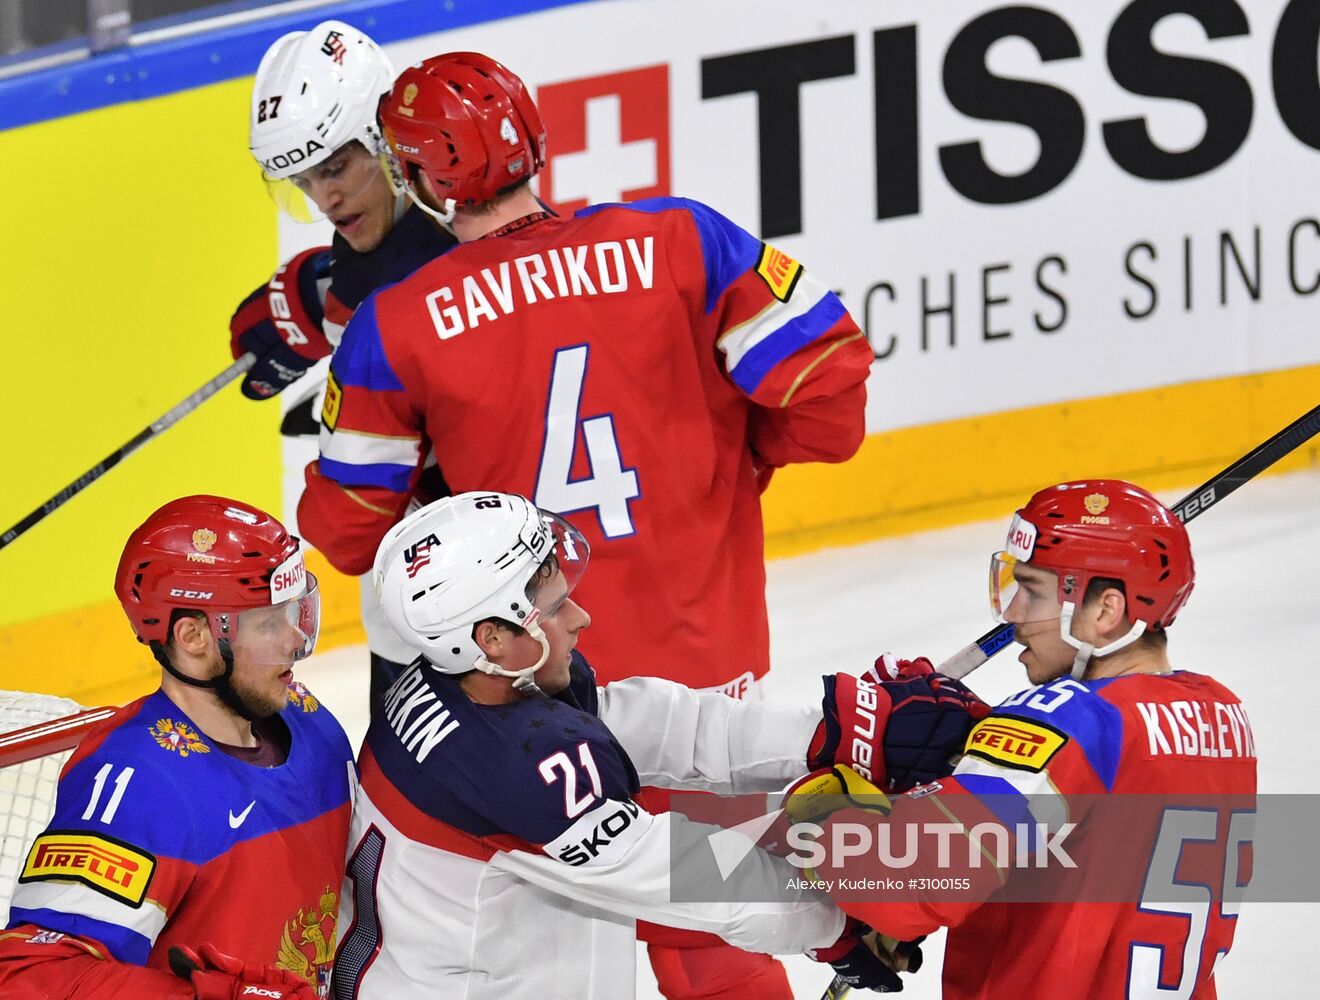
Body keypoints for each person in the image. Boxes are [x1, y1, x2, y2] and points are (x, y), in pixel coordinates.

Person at [297, 54, 874, 996]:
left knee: (546, 949)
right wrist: (731, 453)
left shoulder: (396, 325)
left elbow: (350, 533)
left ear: (413, 179)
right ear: (538, 134)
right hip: (707, 666)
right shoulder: (685, 239)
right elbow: (832, 410)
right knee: (716, 929)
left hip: (533, 692)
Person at [330, 490, 986, 999]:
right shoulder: (512, 769)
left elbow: (635, 723)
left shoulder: (470, 678)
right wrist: (835, 923)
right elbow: (696, 878)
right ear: (492, 639)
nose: (581, 617)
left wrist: (828, 732)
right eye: (555, 607)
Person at [790, 479, 1258, 999]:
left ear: (1105, 611)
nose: (1013, 615)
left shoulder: (1064, 722)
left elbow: (915, 881)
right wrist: (959, 780)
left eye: (1033, 590)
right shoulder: (1222, 716)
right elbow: (1085, 855)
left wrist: (827, 822)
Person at [0, 495, 353, 1000]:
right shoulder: (139, 784)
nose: (295, 640)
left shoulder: (309, 721)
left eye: (296, 613)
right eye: (268, 623)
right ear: (192, 636)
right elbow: (27, 974)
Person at [232, 20, 457, 711]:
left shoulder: (457, 258)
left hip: (482, 588)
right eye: (303, 178)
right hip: (406, 583)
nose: (324, 198)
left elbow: (348, 521)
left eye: (334, 167)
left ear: (388, 143)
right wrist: (321, 289)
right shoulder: (371, 263)